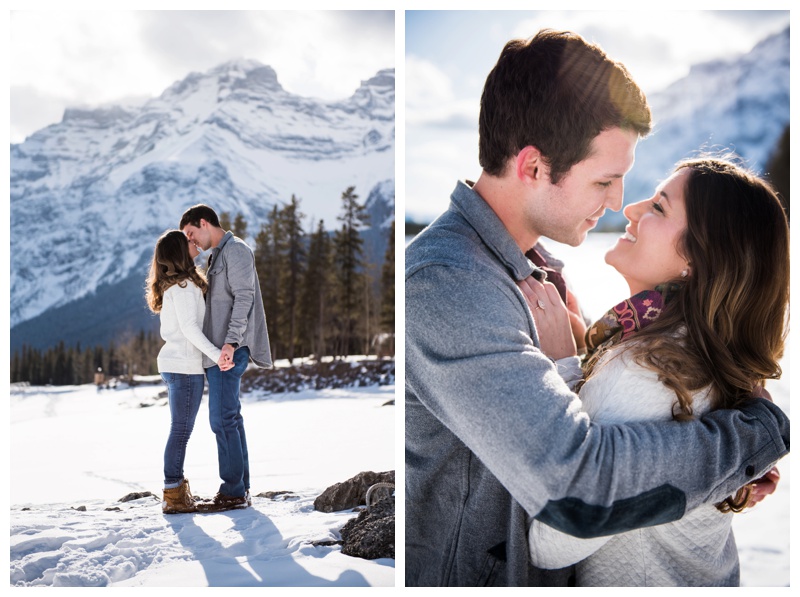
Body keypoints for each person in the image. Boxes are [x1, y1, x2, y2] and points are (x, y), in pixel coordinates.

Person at [404, 29, 789, 587]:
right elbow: (577, 491)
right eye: (605, 180)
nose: (619, 203)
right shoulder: (449, 284)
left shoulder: (534, 271)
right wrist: (748, 439)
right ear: (534, 166)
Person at [523, 157, 789, 586]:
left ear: (699, 259)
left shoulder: (650, 371)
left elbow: (553, 538)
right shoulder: (694, 350)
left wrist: (563, 367)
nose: (630, 210)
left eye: (659, 207)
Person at [179, 204, 272, 512]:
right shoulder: (216, 255)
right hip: (218, 352)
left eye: (191, 233)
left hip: (227, 352)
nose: (191, 241)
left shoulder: (236, 251)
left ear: (204, 222)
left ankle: (233, 491)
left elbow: (244, 297)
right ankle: (240, 488)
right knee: (230, 418)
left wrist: (230, 343)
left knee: (221, 419)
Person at [145, 229, 233, 514]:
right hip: (183, 367)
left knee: (180, 430)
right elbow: (190, 329)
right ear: (180, 253)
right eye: (188, 243)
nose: (194, 243)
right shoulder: (183, 286)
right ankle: (173, 493)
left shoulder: (180, 284)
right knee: (181, 431)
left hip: (178, 365)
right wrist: (217, 355)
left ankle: (176, 489)